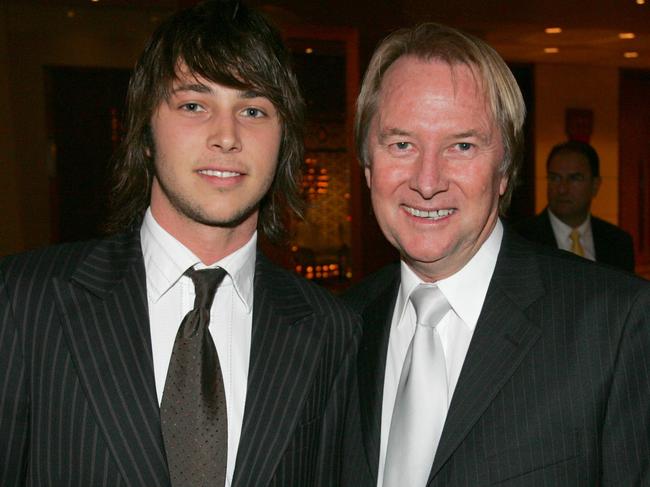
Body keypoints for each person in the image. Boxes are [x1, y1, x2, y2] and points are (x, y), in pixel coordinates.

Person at [0, 2, 360, 486]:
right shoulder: (25, 301)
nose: (226, 135)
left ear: (284, 140)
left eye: (253, 110)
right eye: (194, 105)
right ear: (145, 131)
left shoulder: (332, 332)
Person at [341, 22, 650, 487]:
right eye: (401, 144)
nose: (427, 181)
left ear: (504, 170)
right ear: (368, 165)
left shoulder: (616, 327)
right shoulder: (337, 329)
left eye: (462, 145)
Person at [515, 140, 635, 272]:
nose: (562, 189)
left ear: (595, 185)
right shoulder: (520, 239)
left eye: (574, 178)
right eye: (555, 178)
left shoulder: (618, 243)